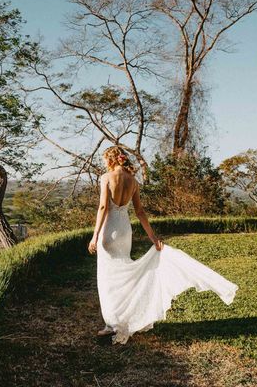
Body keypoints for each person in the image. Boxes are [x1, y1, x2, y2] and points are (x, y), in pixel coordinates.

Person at [87, 146, 238, 344]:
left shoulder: (106, 178)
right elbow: (140, 212)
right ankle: (122, 319)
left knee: (109, 278)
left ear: (111, 159)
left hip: (110, 230)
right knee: (124, 273)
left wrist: (95, 235)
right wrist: (153, 238)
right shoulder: (133, 181)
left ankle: (112, 323)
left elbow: (103, 207)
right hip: (125, 232)